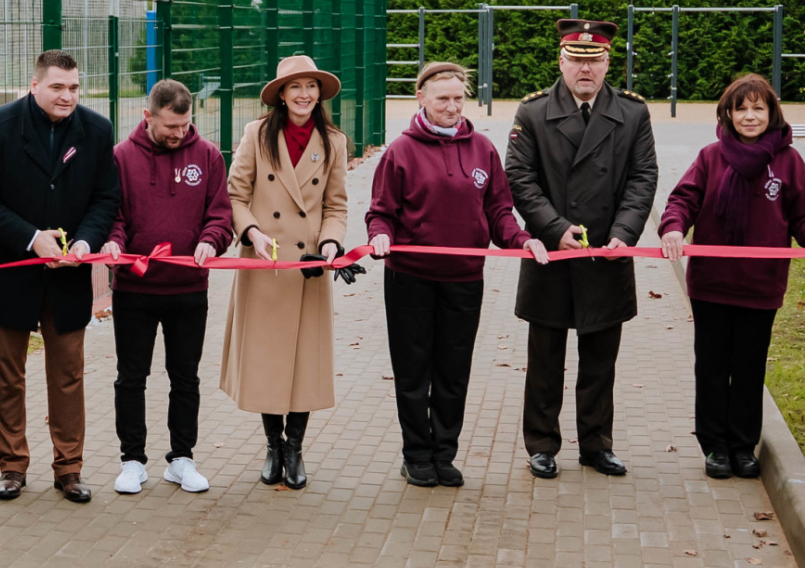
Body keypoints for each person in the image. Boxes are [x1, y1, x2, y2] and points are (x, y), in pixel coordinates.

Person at [365, 62, 549, 488]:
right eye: (442, 99)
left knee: (453, 371)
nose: (452, 107)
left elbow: (499, 211)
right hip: (409, 279)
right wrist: (380, 236)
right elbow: (381, 212)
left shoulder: (482, 148)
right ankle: (416, 455)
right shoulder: (401, 151)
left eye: (458, 99)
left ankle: (444, 453)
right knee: (413, 371)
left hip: (464, 279)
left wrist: (522, 240)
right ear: (422, 99)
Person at [0, 49, 120, 503]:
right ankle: (12, 466)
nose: (67, 96)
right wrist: (32, 238)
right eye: (57, 87)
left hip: (68, 277)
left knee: (68, 375)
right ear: (34, 86)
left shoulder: (97, 130)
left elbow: (105, 199)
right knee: (7, 376)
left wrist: (84, 243)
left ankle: (69, 469)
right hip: (8, 272)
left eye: (74, 87)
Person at [505, 19, 657, 480]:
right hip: (553, 255)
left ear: (608, 63)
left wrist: (624, 233)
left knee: (600, 362)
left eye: (594, 61)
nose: (585, 69)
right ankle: (541, 445)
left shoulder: (632, 113)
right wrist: (555, 229)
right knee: (545, 361)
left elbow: (643, 177)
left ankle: (596, 445)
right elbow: (520, 178)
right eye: (576, 60)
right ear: (561, 61)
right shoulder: (533, 112)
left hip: (607, 253)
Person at [659, 74, 805, 480]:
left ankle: (743, 446)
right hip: (712, 285)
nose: (749, 116)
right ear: (727, 113)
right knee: (711, 367)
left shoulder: (789, 162)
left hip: (761, 285)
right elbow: (683, 199)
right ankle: (715, 447)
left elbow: (801, 214)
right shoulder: (711, 157)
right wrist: (673, 228)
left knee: (749, 369)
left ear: (772, 112)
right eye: (741, 109)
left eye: (758, 108)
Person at [221, 55, 349, 491]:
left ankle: (295, 447)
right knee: (267, 359)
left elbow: (336, 206)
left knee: (304, 362)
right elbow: (235, 195)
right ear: (281, 94)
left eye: (311, 86)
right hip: (265, 265)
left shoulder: (333, 141)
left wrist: (330, 243)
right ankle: (273, 446)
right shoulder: (256, 135)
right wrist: (252, 233)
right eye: (295, 86)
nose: (304, 94)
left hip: (308, 268)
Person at [100, 79, 232, 495]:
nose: (179, 133)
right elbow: (113, 215)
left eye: (185, 124)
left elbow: (220, 215)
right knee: (131, 377)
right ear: (148, 116)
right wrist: (114, 242)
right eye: (170, 126)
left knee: (185, 377)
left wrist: (211, 240)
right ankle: (132, 461)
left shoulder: (208, 156)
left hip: (188, 288)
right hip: (134, 289)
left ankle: (182, 459)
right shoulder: (121, 157)